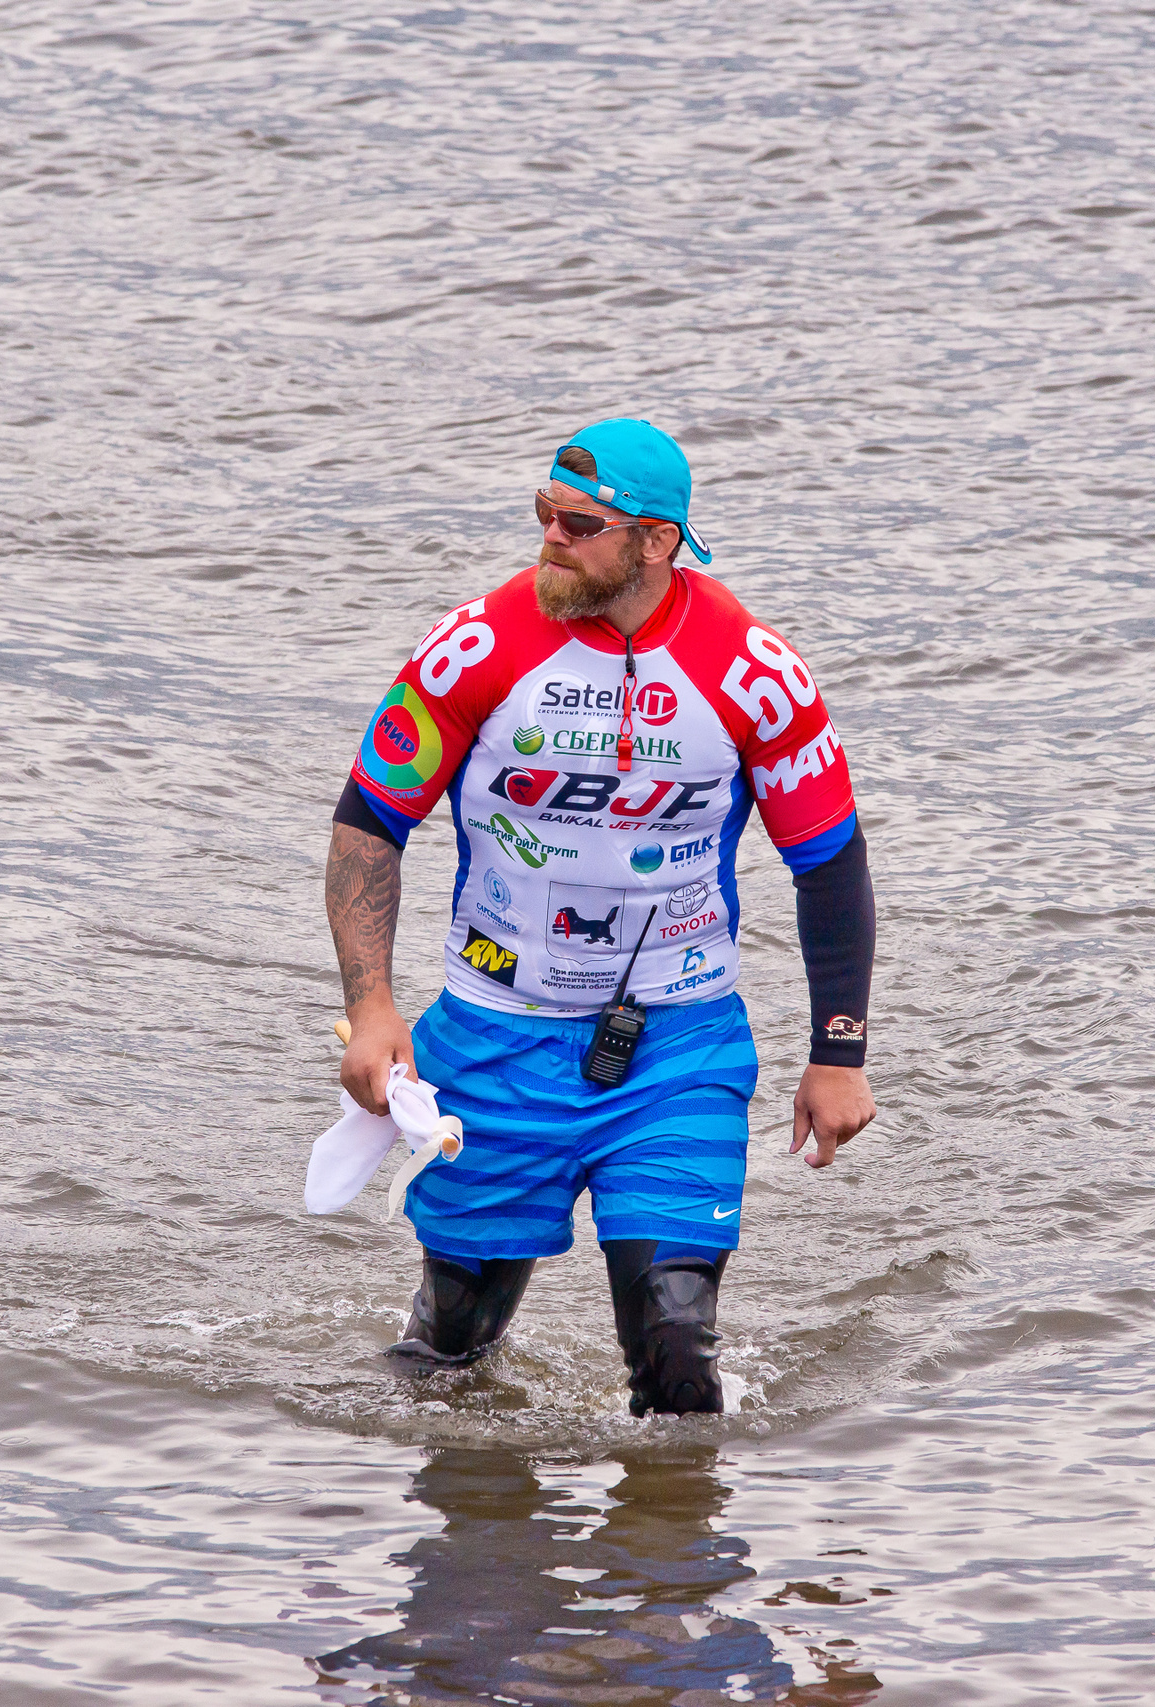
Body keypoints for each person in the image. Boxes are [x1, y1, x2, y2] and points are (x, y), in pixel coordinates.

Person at [324, 417, 878, 1416]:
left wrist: (840, 1050)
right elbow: (369, 823)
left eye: (579, 524)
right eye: (542, 513)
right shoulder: (476, 648)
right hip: (493, 1039)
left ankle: (672, 1561)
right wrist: (371, 1008)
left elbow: (829, 858)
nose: (549, 539)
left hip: (676, 1049)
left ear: (658, 541)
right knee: (450, 1348)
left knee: (671, 1348)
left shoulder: (752, 673)